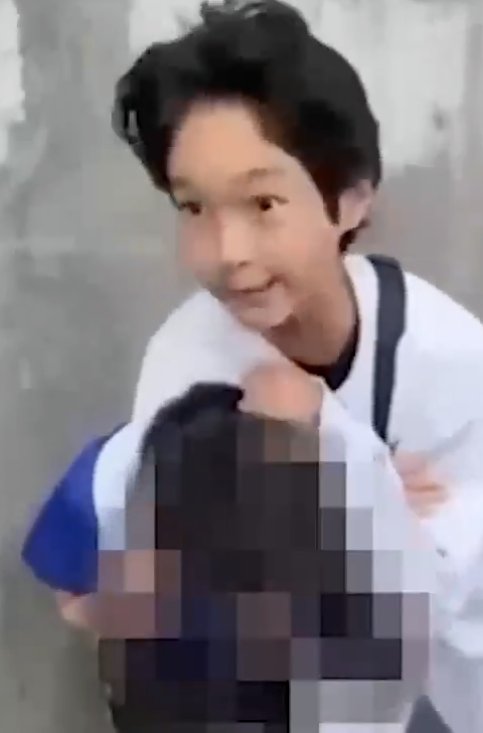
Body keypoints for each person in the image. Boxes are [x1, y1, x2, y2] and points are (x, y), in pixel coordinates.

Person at [22, 0, 481, 729]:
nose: (227, 251)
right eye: (193, 208)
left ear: (349, 200)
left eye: (262, 203)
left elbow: (437, 604)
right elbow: (157, 590)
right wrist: (362, 507)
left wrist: (330, 465)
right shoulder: (187, 360)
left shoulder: (449, 361)